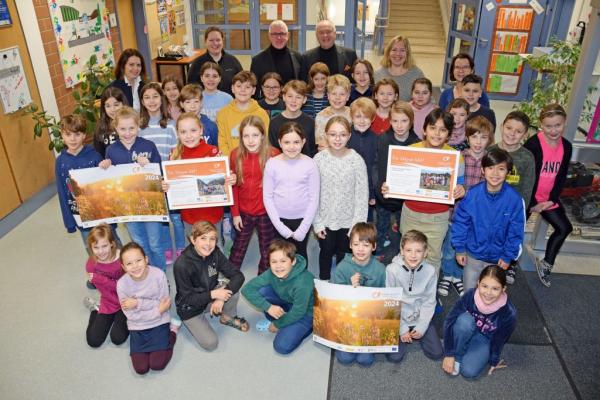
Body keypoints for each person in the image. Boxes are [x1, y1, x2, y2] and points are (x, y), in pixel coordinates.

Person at [383, 109, 466, 272]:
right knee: (407, 255)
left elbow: (461, 185)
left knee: (433, 257)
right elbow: (398, 180)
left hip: (437, 218)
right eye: (433, 128)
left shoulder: (456, 156)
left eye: (443, 130)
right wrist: (389, 186)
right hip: (410, 214)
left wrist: (462, 189)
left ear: (448, 134)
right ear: (424, 130)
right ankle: (405, 293)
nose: (437, 133)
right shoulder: (410, 150)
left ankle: (428, 296)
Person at [452, 148, 525, 291]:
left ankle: (487, 313)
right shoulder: (471, 195)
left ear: (508, 172)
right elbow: (460, 223)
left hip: (498, 258)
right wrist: (460, 249)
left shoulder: (514, 200)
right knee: (469, 291)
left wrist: (508, 255)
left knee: (491, 293)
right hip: (473, 255)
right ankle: (469, 311)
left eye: (501, 169)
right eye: (490, 168)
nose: (495, 173)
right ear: (483, 170)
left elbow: (516, 232)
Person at [102, 107, 166, 271]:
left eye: (132, 128)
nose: (128, 133)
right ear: (115, 128)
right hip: (128, 208)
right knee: (139, 243)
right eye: (122, 129)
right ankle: (146, 274)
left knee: (155, 243)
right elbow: (109, 180)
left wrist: (150, 165)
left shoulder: (149, 146)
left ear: (138, 126)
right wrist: (105, 166)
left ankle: (160, 274)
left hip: (150, 205)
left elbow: (160, 172)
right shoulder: (111, 150)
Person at [439, 116, 494, 296]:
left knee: (468, 249)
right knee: (450, 247)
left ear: (490, 139)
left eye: (483, 137)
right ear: (467, 138)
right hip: (456, 213)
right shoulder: (458, 158)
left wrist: (467, 189)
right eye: (474, 137)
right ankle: (448, 275)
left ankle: (459, 276)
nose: (478, 142)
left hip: (479, 217)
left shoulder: (491, 162)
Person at [174, 221, 248, 351]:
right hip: (190, 308)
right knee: (211, 343)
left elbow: (238, 276)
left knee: (232, 291)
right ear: (193, 239)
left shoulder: (215, 253)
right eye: (203, 238)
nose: (208, 244)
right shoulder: (182, 265)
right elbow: (186, 298)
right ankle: (199, 320)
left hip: (210, 295)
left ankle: (226, 317)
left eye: (212, 239)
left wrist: (220, 298)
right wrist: (214, 295)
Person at [524, 104, 573, 287]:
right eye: (548, 126)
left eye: (558, 125)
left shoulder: (567, 146)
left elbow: (561, 176)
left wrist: (550, 200)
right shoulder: (533, 144)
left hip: (548, 199)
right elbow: (527, 175)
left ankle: (547, 263)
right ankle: (510, 264)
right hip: (529, 197)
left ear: (564, 123)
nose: (553, 130)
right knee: (514, 229)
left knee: (564, 228)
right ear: (541, 125)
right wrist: (534, 203)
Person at [313, 117, 368, 280]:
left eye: (342, 134)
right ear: (326, 136)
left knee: (344, 257)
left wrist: (357, 225)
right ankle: (323, 284)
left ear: (349, 136)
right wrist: (317, 222)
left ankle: (342, 285)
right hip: (325, 220)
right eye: (333, 134)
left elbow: (362, 195)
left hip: (349, 221)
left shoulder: (356, 160)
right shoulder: (318, 160)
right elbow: (312, 194)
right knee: (326, 253)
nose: (337, 139)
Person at [442, 265, 516, 379]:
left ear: (503, 289)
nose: (488, 293)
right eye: (484, 286)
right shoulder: (470, 294)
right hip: (467, 327)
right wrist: (449, 354)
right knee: (464, 321)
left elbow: (500, 339)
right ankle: (458, 355)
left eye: (495, 288)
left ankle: (467, 348)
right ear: (478, 283)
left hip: (485, 339)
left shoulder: (509, 312)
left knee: (468, 371)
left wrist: (493, 360)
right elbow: (449, 321)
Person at [241, 240, 314, 355]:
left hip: (306, 313)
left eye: (283, 261)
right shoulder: (271, 272)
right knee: (262, 290)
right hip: (289, 302)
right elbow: (247, 289)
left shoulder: (303, 282)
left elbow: (299, 311)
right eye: (273, 262)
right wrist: (268, 307)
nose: (278, 266)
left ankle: (309, 327)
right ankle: (282, 318)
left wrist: (277, 324)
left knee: (281, 347)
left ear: (293, 261)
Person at [167, 113, 232, 240]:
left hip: (212, 213)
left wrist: (230, 179)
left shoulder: (213, 152)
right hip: (189, 215)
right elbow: (172, 186)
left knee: (215, 246)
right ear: (178, 134)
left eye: (193, 130)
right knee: (192, 248)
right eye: (183, 132)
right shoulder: (174, 155)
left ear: (201, 130)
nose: (189, 136)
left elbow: (224, 180)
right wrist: (166, 186)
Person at [488, 111, 535, 285]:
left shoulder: (527, 157)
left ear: (525, 134)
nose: (512, 133)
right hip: (490, 206)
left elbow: (527, 188)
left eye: (518, 131)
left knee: (510, 238)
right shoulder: (490, 150)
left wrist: (518, 211)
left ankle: (510, 263)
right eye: (509, 128)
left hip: (511, 209)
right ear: (502, 127)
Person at [138, 82, 183, 264]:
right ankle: (165, 248)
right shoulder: (139, 127)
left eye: (155, 96)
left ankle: (180, 247)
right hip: (149, 181)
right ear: (141, 101)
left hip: (169, 179)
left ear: (162, 98)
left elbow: (176, 152)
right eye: (147, 97)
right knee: (161, 216)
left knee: (176, 217)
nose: (152, 101)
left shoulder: (171, 125)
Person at [263, 122, 320, 264]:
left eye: (296, 142)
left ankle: (300, 284)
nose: (292, 146)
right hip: (279, 220)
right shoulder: (272, 163)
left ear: (304, 142)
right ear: (279, 143)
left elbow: (314, 198)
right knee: (280, 257)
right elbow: (267, 197)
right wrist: (281, 228)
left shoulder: (310, 164)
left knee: (299, 256)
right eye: (287, 142)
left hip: (302, 220)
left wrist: (303, 228)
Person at [117, 242, 177, 375]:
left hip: (160, 321)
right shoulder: (122, 284)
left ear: (146, 259)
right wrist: (156, 309)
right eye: (129, 263)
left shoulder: (158, 275)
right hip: (137, 326)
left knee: (157, 364)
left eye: (138, 260)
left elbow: (164, 304)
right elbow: (131, 315)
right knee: (141, 369)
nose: (135, 266)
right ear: (123, 267)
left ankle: (172, 332)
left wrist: (137, 303)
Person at [229, 116, 279, 274]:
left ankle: (263, 276)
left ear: (263, 135)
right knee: (238, 246)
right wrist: (235, 213)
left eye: (255, 135)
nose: (250, 140)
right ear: (241, 137)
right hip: (243, 212)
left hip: (266, 212)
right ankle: (229, 275)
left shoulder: (274, 155)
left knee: (267, 248)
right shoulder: (235, 155)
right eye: (246, 136)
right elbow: (233, 187)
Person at [331, 222, 385, 366]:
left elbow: (386, 299)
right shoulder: (342, 267)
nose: (360, 249)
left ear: (374, 247)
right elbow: (334, 298)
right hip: (348, 317)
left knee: (365, 360)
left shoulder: (380, 269)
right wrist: (350, 287)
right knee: (344, 358)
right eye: (356, 244)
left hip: (370, 319)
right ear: (350, 245)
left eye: (366, 245)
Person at [386, 230, 443, 363]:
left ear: (425, 252)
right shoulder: (391, 270)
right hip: (399, 317)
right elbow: (390, 301)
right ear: (402, 251)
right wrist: (402, 328)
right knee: (394, 357)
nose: (413, 255)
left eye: (418, 251)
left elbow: (429, 302)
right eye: (409, 250)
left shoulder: (430, 271)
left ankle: (418, 332)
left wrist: (422, 327)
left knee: (437, 353)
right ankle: (407, 333)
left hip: (419, 316)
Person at [375, 101, 420, 254]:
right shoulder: (383, 139)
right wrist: (378, 187)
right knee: (381, 225)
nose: (399, 125)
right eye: (395, 121)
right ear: (390, 121)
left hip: (406, 200)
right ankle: (378, 251)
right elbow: (378, 166)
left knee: (405, 230)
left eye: (404, 121)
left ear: (411, 121)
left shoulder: (417, 144)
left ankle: (403, 253)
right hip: (384, 195)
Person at [56, 114, 103, 246]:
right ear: (62, 135)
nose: (72, 139)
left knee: (112, 243)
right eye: (68, 134)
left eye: (77, 134)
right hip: (80, 215)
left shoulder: (94, 156)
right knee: (90, 246)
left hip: (101, 212)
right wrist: (69, 222)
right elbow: (62, 192)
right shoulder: (60, 162)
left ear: (84, 135)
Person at [83, 224, 128, 348]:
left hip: (126, 301)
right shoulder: (91, 265)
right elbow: (105, 291)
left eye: (104, 246)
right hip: (108, 301)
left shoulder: (123, 258)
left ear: (112, 244)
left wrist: (101, 280)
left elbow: (126, 288)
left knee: (117, 338)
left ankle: (118, 319)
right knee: (94, 341)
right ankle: (94, 309)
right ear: (91, 248)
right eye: (96, 247)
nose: (101, 251)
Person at [216, 71, 270, 156]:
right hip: (232, 162)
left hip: (255, 161)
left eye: (247, 87)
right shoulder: (223, 114)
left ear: (253, 90)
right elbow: (222, 142)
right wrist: (231, 160)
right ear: (232, 88)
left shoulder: (262, 114)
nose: (242, 90)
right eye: (239, 86)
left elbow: (264, 141)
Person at [250, 20, 302, 98]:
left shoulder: (298, 58)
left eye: (282, 33)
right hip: (267, 107)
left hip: (292, 105)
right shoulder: (257, 61)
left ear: (288, 35)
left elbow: (301, 85)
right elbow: (255, 90)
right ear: (269, 36)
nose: (279, 37)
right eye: (274, 34)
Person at [187, 26, 243, 96]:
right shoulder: (197, 63)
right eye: (211, 40)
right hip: (205, 105)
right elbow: (191, 88)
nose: (215, 43)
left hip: (230, 104)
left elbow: (242, 83)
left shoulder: (233, 61)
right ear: (205, 42)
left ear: (222, 41)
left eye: (218, 40)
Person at [347, 97, 378, 221]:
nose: (362, 121)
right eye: (358, 116)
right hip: (347, 189)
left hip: (367, 190)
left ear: (373, 118)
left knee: (364, 224)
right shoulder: (345, 136)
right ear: (351, 117)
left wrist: (372, 194)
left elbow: (374, 170)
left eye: (366, 117)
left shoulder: (377, 140)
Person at [268, 80, 316, 156]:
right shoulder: (274, 123)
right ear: (284, 97)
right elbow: (273, 150)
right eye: (290, 96)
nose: (294, 101)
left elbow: (312, 149)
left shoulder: (310, 122)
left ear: (304, 100)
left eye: (298, 97)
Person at [374, 36, 424, 101]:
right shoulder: (378, 74)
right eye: (394, 50)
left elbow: (427, 99)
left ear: (407, 53)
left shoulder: (417, 74)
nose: (398, 54)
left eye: (402, 50)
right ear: (388, 53)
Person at [314, 74, 351, 150]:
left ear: (348, 96)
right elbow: (321, 146)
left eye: (342, 94)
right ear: (328, 95)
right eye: (334, 94)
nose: (337, 98)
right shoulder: (321, 117)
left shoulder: (353, 115)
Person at [93, 87, 125, 157]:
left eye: (116, 105)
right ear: (103, 108)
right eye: (108, 106)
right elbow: (99, 154)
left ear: (123, 104)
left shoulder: (132, 123)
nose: (112, 109)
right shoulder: (100, 128)